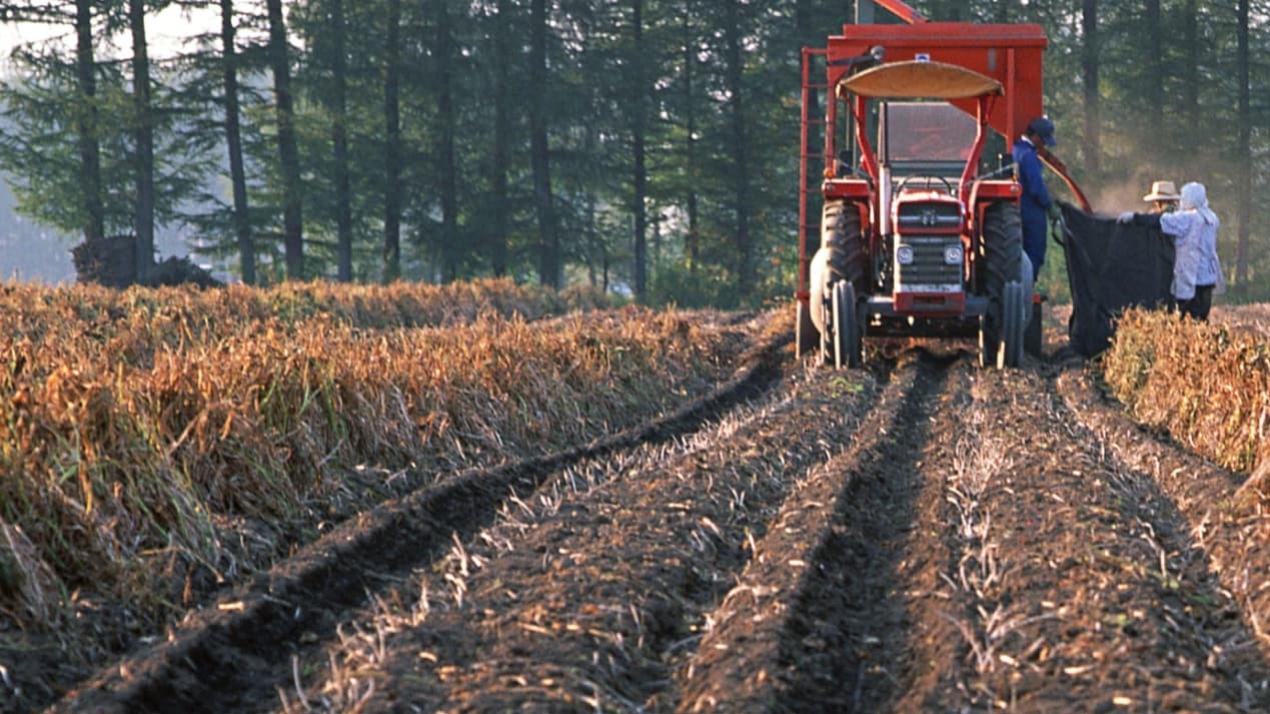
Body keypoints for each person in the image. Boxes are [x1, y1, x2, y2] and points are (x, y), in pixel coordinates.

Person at [1118, 182, 1224, 321]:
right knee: (1201, 318)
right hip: (1207, 278)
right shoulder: (1211, 217)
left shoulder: (1188, 218)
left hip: (1192, 278)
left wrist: (1134, 218)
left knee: (1188, 318)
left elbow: (1161, 220)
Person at [1013, 117, 1062, 281]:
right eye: (1044, 140)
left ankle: (1020, 290)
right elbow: (1036, 187)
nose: (1045, 145)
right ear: (1036, 137)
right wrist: (1049, 205)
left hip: (1017, 210)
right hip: (1032, 212)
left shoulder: (1016, 150)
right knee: (1034, 252)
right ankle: (1028, 290)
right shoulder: (1029, 156)